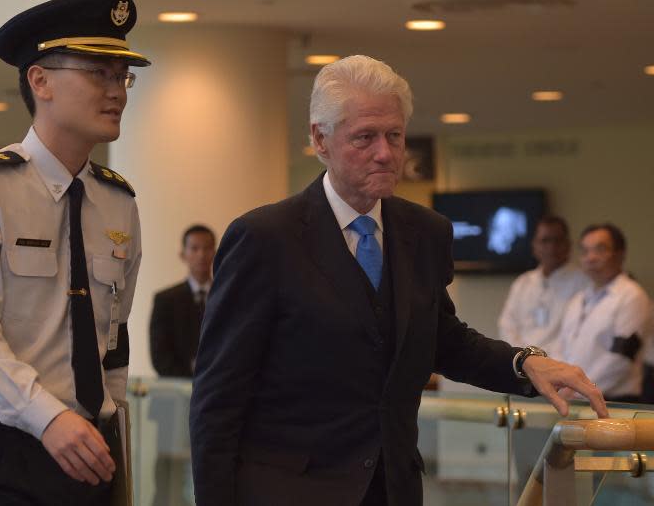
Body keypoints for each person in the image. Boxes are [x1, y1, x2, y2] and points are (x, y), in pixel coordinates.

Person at [188, 55, 607, 506]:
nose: (385, 153)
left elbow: (441, 339)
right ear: (320, 139)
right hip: (290, 491)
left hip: (393, 489)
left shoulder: (425, 232)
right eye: (365, 137)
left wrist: (523, 363)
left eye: (394, 135)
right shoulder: (265, 238)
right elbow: (219, 397)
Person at [0, 0, 147, 505]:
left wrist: (112, 434)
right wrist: (46, 417)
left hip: (89, 452)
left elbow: (111, 340)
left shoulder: (118, 202)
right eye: (98, 72)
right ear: (40, 80)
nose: (116, 90)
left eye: (122, 75)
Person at [558, 224, 652, 402]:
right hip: (575, 399)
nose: (591, 258)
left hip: (616, 401)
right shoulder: (577, 300)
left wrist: (579, 390)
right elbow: (562, 348)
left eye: (600, 249)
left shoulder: (632, 295)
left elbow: (622, 357)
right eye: (585, 251)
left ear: (620, 254)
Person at [498, 216, 589, 356]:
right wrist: (525, 359)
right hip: (523, 365)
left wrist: (545, 361)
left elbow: (580, 334)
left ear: (568, 245)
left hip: (562, 364)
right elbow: (507, 325)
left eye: (558, 240)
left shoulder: (584, 282)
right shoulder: (523, 282)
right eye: (545, 241)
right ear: (534, 246)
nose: (551, 247)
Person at [150, 224, 217, 378]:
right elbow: (160, 356)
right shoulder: (165, 300)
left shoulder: (228, 298)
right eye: (194, 248)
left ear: (215, 253)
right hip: (177, 391)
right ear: (183, 254)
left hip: (220, 389)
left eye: (207, 248)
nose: (201, 255)